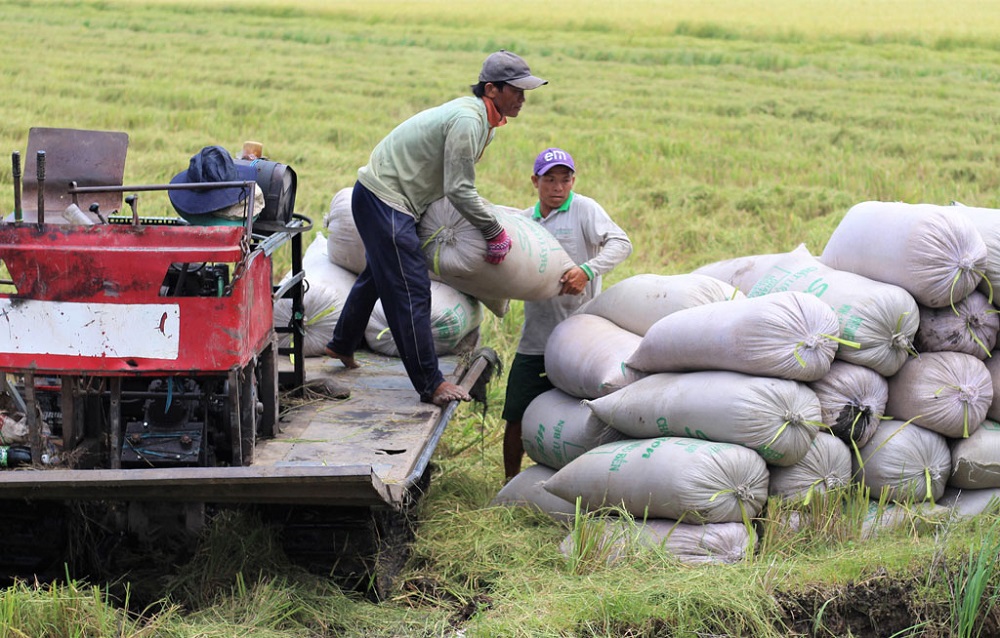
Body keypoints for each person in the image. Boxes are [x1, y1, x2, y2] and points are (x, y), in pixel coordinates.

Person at [325, 50, 547, 406]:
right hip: (385, 200)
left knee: (380, 275)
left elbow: (450, 182)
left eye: (525, 91)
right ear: (492, 89)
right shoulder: (469, 121)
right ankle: (430, 383)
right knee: (411, 289)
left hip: (387, 198)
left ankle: (341, 343)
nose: (523, 98)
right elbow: (459, 189)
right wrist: (492, 230)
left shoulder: (483, 121)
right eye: (516, 90)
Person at [502, 147, 632, 482]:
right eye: (550, 180)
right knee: (516, 413)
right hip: (537, 338)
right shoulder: (525, 222)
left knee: (584, 416)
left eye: (565, 179)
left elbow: (621, 243)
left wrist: (587, 270)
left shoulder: (585, 210)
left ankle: (582, 481)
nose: (558, 187)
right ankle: (509, 482)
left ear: (573, 181)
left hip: (581, 338)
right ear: (535, 182)